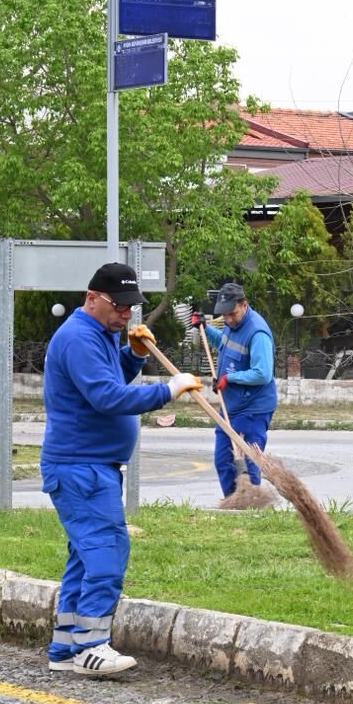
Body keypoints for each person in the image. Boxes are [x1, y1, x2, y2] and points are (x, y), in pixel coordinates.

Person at [41, 262, 201, 677]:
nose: (126, 315)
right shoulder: (79, 338)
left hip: (90, 466)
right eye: (119, 306)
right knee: (108, 553)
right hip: (82, 468)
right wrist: (167, 390)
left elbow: (109, 377)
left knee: (85, 557)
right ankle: (92, 646)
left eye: (132, 307)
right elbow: (107, 397)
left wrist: (134, 355)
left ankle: (66, 647)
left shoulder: (100, 334)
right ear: (91, 298)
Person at [191, 282, 278, 497]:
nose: (228, 319)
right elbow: (224, 344)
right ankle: (234, 504)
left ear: (244, 305)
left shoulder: (258, 333)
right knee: (224, 461)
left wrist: (230, 378)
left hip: (252, 408)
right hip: (230, 405)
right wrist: (204, 327)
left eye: (232, 314)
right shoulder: (232, 324)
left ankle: (251, 505)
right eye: (224, 315)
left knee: (248, 463)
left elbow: (263, 373)